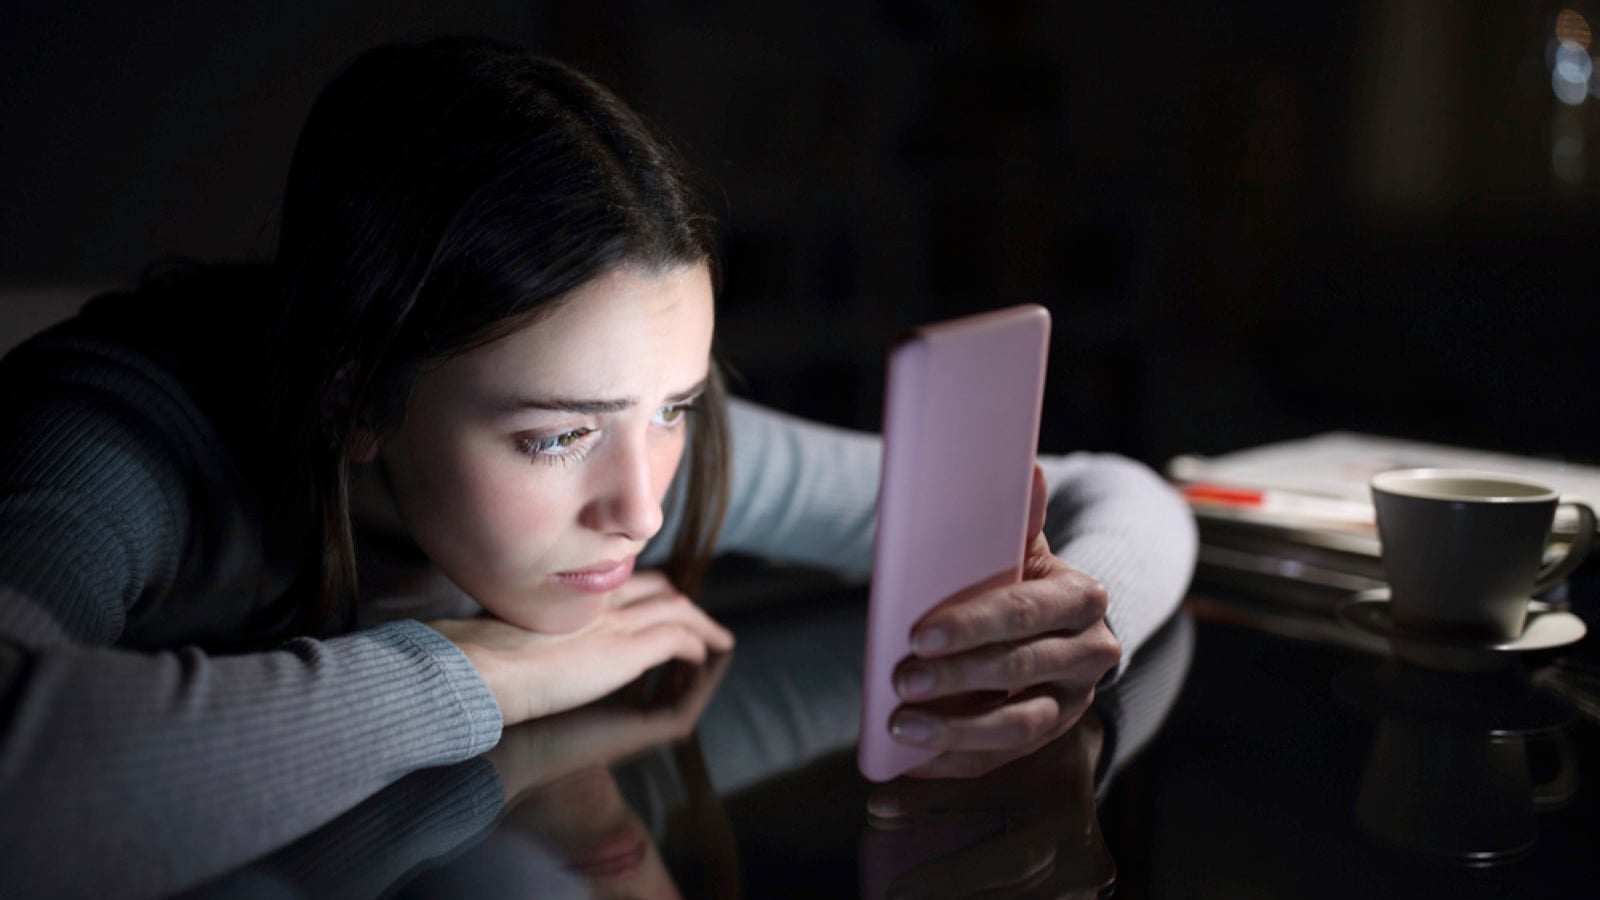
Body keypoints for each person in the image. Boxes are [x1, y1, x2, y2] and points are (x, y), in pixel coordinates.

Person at [0, 35, 1196, 898]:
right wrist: (481, 671)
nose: (643, 503)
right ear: (352, 394)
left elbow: (1116, 490)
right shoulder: (119, 441)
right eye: (554, 436)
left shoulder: (648, 448)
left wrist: (1056, 628)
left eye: (672, 404)